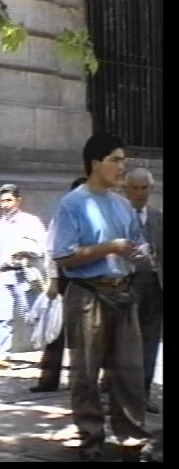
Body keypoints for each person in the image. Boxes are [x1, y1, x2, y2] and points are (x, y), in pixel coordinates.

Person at [51, 132, 151, 462]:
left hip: (122, 294)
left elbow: (135, 247)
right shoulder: (72, 204)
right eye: (116, 160)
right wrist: (107, 248)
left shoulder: (123, 205)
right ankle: (91, 440)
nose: (123, 167)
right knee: (86, 373)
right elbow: (64, 257)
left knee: (130, 372)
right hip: (87, 295)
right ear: (96, 163)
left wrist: (140, 256)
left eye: (124, 160)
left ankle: (132, 438)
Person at [29, 176, 87, 393]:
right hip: (65, 277)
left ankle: (79, 379)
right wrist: (53, 279)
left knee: (84, 332)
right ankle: (48, 379)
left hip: (87, 278)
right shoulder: (63, 216)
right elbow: (51, 249)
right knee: (56, 331)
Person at [0, 184, 47, 370]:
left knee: (32, 315)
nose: (5, 205)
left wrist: (25, 250)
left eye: (9, 200)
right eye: (2, 201)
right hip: (5, 274)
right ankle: (2, 355)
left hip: (25, 274)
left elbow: (41, 247)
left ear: (18, 201)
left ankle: (44, 353)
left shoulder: (31, 221)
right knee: (2, 317)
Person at [123, 168, 163, 414]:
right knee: (125, 345)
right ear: (126, 190)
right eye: (134, 188)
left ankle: (144, 395)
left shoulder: (159, 217)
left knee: (150, 345)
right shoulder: (118, 217)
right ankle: (123, 396)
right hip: (127, 287)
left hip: (155, 289)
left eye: (144, 188)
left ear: (151, 189)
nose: (139, 193)